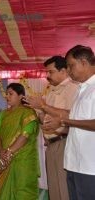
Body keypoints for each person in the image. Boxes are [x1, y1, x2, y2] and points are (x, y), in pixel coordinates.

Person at [43, 45, 95, 200]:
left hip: (89, 165)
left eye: (71, 66)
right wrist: (58, 119)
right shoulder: (82, 89)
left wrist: (64, 121)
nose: (69, 71)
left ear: (84, 63)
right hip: (74, 162)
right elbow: (72, 116)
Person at [24, 56, 79, 200]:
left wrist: (43, 106)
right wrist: (39, 111)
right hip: (51, 144)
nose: (47, 76)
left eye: (51, 72)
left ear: (63, 71)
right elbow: (46, 119)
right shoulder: (51, 91)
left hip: (65, 142)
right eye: (46, 72)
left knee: (64, 189)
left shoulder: (73, 88)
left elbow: (71, 116)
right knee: (54, 189)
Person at [0, 83, 39, 200]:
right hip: (4, 157)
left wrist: (9, 152)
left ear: (21, 96)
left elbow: (25, 135)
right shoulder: (3, 114)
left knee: (22, 190)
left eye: (11, 94)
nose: (7, 96)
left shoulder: (28, 113)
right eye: (6, 94)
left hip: (23, 159)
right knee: (2, 190)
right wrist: (0, 150)